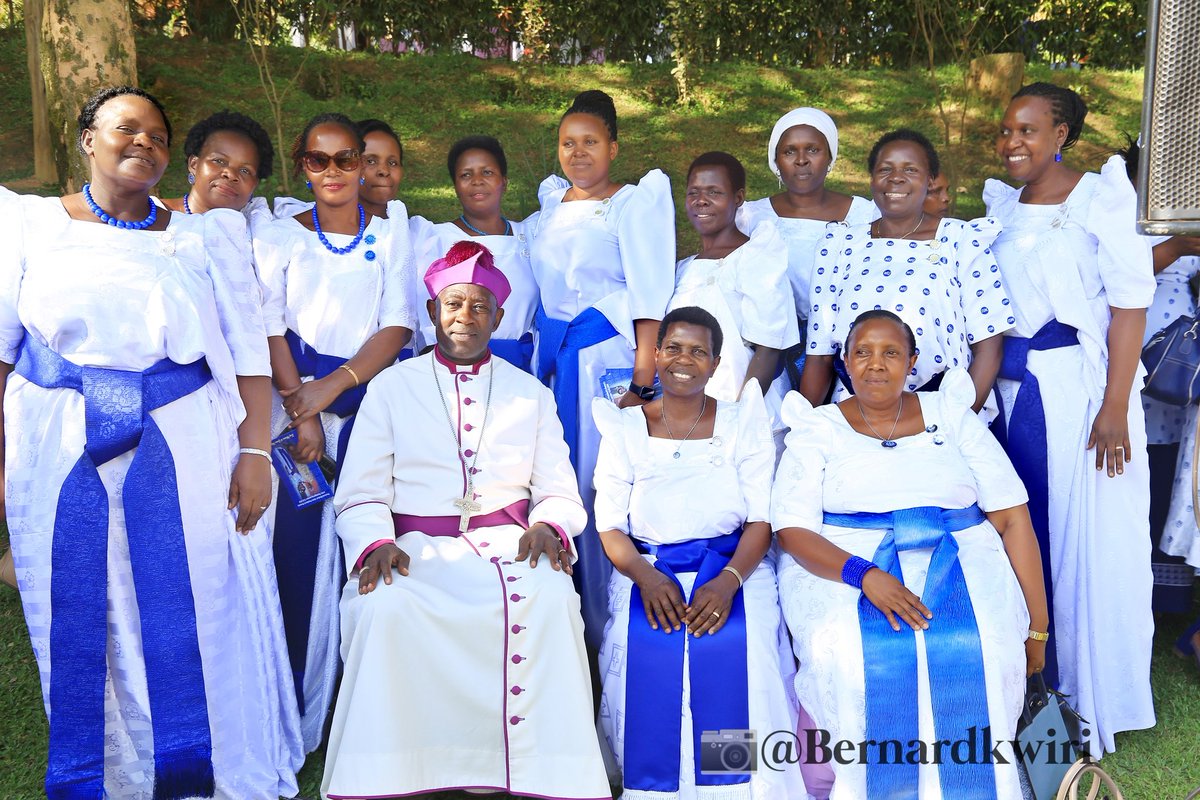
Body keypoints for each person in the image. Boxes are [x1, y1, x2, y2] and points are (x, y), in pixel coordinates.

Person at [0, 86, 301, 799]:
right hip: (57, 445)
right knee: (84, 603)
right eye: (125, 128)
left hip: (181, 444)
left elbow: (248, 355)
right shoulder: (27, 225)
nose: (143, 143)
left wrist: (255, 454)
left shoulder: (206, 234)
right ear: (87, 139)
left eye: (158, 135)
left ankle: (194, 761)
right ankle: (105, 769)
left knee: (184, 599)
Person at [321, 240, 609, 800]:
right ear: (432, 312)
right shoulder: (389, 388)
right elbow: (359, 492)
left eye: (479, 307)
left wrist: (549, 526)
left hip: (509, 545)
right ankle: (405, 770)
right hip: (411, 548)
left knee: (550, 599)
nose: (465, 317)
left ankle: (531, 770)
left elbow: (558, 489)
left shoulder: (530, 393)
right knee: (384, 605)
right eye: (453, 304)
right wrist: (375, 541)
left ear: (498, 317)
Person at [773, 310, 1048, 800]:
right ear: (845, 362)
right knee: (853, 654)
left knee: (980, 642)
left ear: (913, 362)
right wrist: (865, 576)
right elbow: (792, 531)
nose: (876, 365)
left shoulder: (954, 417)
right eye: (863, 352)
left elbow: (1013, 518)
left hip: (961, 555)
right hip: (845, 565)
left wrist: (1037, 628)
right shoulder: (818, 428)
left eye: (891, 353)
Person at [984, 82, 1155, 754]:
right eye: (1005, 130)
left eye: (1028, 130)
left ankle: (1079, 692)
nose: (1012, 142)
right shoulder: (1003, 206)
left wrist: (1115, 404)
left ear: (1062, 136)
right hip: (1004, 388)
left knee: (1077, 538)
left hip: (1074, 393)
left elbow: (1131, 302)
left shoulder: (1100, 197)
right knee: (1017, 531)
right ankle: (1022, 686)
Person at [253, 111, 417, 752]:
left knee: (373, 544)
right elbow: (267, 326)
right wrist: (304, 410)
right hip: (293, 412)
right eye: (317, 161)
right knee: (297, 554)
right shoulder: (277, 234)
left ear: (361, 161)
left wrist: (335, 386)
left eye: (345, 159)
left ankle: (369, 707)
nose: (333, 172)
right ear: (303, 165)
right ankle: (299, 704)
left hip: (370, 406)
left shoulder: (391, 229)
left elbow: (398, 323)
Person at [593, 306, 806, 800]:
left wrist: (729, 580)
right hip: (647, 569)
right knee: (647, 664)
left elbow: (760, 520)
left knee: (738, 657)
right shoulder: (624, 427)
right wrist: (646, 578)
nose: (683, 360)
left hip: (735, 570)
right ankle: (658, 789)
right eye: (672, 348)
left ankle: (731, 787)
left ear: (714, 362)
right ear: (655, 354)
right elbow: (609, 524)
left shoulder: (740, 422)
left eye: (697, 351)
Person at [528, 88, 676, 644]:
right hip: (558, 358)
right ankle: (565, 618)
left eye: (590, 141)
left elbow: (648, 289)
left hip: (608, 360)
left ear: (613, 146)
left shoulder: (633, 202)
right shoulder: (551, 202)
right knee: (558, 479)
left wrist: (643, 375)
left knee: (602, 482)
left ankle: (610, 625)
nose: (578, 152)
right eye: (568, 143)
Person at [800, 129, 1012, 413]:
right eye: (885, 169)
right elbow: (821, 354)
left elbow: (988, 348)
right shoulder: (839, 244)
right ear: (872, 179)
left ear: (930, 179)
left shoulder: (962, 240)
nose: (896, 177)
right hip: (851, 413)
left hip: (940, 410)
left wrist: (958, 424)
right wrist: (802, 426)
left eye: (910, 169)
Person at [738, 107, 877, 387]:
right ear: (776, 160)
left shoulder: (864, 215)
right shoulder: (751, 216)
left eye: (812, 150)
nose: (801, 160)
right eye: (789, 151)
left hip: (845, 351)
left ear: (830, 157)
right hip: (768, 349)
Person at [671, 152, 797, 421]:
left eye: (714, 192)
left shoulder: (757, 257)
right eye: (693, 192)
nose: (701, 200)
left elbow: (769, 347)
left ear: (738, 198)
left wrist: (739, 416)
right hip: (690, 413)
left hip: (746, 413)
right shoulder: (683, 268)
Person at [408, 135, 539, 369]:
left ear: (504, 182)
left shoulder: (530, 236)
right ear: (456, 186)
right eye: (466, 175)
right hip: (455, 367)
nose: (477, 181)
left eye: (487, 172)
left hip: (522, 367)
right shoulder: (436, 240)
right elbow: (427, 320)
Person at [159, 109, 275, 232]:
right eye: (219, 161)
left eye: (245, 170)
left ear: (254, 184)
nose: (230, 174)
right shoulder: (149, 214)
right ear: (194, 164)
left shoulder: (262, 232)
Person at [356, 118, 404, 221]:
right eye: (370, 161)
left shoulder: (417, 232)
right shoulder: (316, 230)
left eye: (392, 163)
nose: (384, 171)